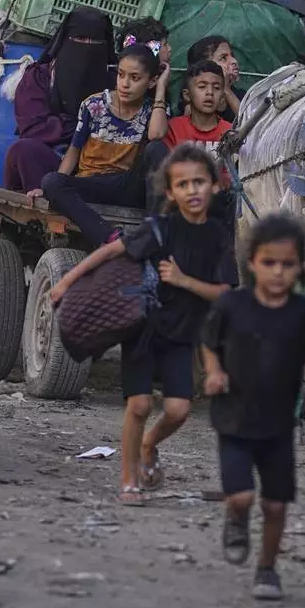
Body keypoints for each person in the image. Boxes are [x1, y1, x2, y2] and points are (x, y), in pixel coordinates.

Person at [50, 144, 239, 506]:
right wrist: (67, 281)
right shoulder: (159, 229)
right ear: (170, 192)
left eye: (199, 182)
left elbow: (225, 293)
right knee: (138, 406)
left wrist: (184, 281)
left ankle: (149, 444)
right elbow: (111, 251)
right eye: (182, 184)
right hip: (144, 328)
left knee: (179, 410)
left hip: (181, 335)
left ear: (214, 186)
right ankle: (128, 480)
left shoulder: (218, 238)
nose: (192, 190)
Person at [201, 213, 305, 601]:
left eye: (287, 264)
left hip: (279, 427)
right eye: (269, 262)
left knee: (276, 506)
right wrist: (213, 372)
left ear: (299, 267)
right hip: (233, 421)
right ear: (252, 263)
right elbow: (209, 342)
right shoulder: (232, 305)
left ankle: (267, 568)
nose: (278, 272)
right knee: (242, 496)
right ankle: (237, 517)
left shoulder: (304, 312)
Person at [41, 44, 171, 247]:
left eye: (135, 78)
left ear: (151, 81)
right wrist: (59, 185)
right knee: (51, 181)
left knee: (157, 149)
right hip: (93, 182)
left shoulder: (153, 110)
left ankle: (156, 232)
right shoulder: (94, 105)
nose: (125, 84)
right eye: (121, 75)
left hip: (126, 185)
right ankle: (109, 236)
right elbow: (74, 150)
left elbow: (157, 135)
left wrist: (161, 88)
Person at [3, 8, 115, 196]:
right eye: (80, 39)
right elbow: (33, 128)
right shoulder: (40, 76)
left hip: (94, 164)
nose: (87, 47)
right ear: (65, 40)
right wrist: (82, 127)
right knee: (24, 150)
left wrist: (65, 125)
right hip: (50, 158)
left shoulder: (114, 82)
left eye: (95, 41)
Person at [166, 60, 236, 234]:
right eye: (202, 87)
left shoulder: (229, 131)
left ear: (222, 97)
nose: (210, 93)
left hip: (219, 206)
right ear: (187, 95)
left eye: (216, 88)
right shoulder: (174, 127)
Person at [185, 35, 242, 122]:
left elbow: (249, 123)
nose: (234, 61)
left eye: (232, 56)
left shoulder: (241, 96)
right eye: (223, 58)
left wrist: (226, 90)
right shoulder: (195, 97)